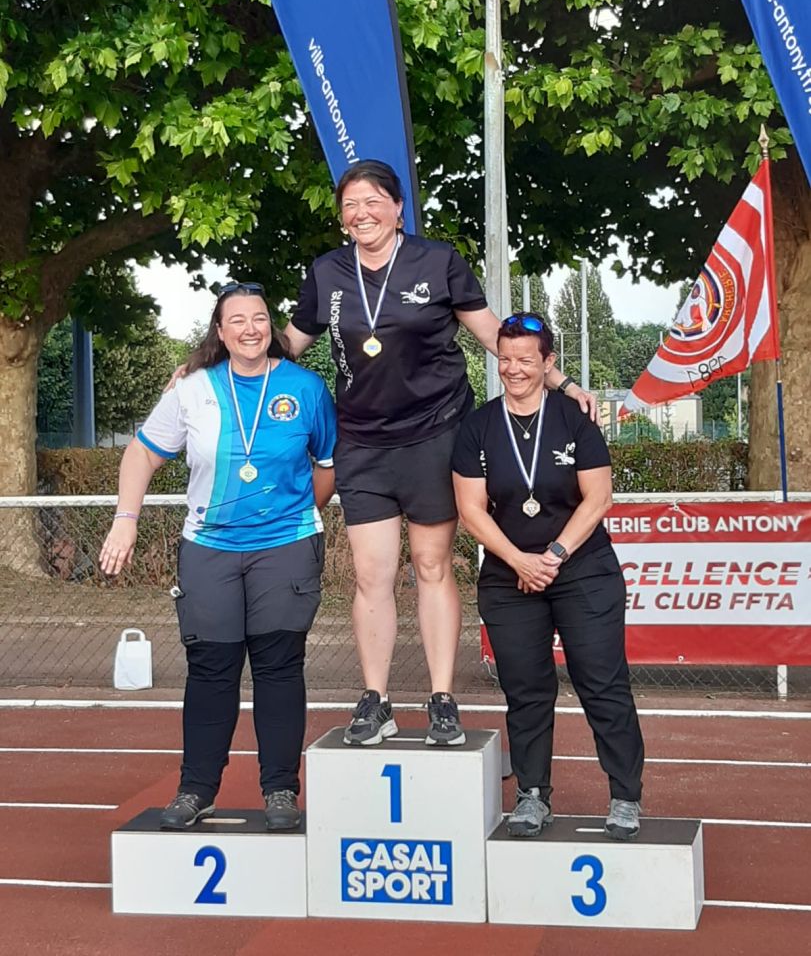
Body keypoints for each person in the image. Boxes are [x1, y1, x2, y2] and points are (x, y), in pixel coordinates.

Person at [283, 159, 597, 749]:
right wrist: (208, 364)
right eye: (350, 205)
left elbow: (495, 335)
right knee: (371, 574)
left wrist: (562, 382)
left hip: (435, 434)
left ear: (398, 207)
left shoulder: (438, 261)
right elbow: (287, 345)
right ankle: (375, 699)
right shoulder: (327, 272)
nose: (361, 213)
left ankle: (442, 699)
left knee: (432, 564)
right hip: (362, 442)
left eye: (373, 201)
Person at [100, 282, 337, 832]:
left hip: (285, 549)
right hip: (209, 549)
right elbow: (141, 453)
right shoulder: (192, 390)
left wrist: (296, 516)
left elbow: (327, 466)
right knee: (211, 670)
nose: (251, 329)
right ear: (221, 332)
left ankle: (280, 789)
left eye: (260, 318)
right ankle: (196, 789)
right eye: (238, 320)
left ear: (271, 326)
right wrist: (125, 518)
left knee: (279, 668)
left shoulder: (306, 387)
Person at [451, 312, 645, 840]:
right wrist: (519, 560)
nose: (513, 369)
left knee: (602, 683)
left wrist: (553, 555)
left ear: (547, 363)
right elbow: (471, 510)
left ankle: (625, 796)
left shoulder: (574, 417)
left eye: (525, 360)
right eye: (505, 359)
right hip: (509, 574)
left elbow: (598, 498)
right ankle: (532, 794)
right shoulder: (478, 426)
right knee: (526, 689)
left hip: (582, 569)